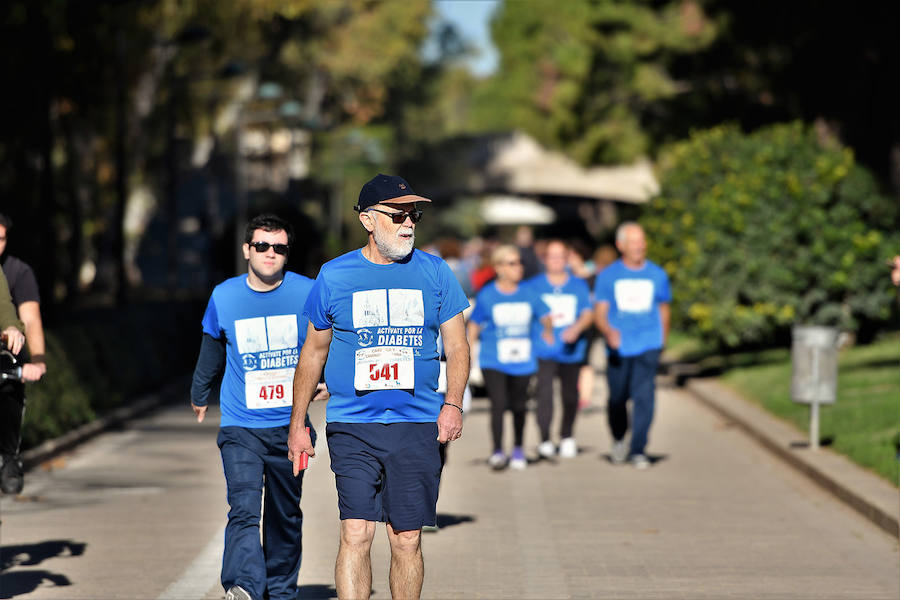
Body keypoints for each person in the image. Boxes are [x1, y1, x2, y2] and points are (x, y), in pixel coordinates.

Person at [287, 174, 470, 600]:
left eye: (413, 215)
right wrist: (298, 423)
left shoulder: (436, 272)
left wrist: (453, 404)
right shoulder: (334, 276)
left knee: (406, 538)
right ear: (368, 220)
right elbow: (313, 352)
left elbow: (457, 346)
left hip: (417, 423)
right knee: (356, 531)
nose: (408, 224)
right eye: (397, 215)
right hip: (353, 424)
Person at [190, 214, 325, 600]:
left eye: (279, 247)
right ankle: (244, 586)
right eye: (262, 246)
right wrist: (200, 392)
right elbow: (211, 346)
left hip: (292, 429)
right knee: (244, 508)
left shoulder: (309, 292)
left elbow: (329, 342)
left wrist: (329, 379)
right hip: (240, 427)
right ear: (247, 250)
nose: (270, 253)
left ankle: (281, 591)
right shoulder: (224, 295)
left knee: (285, 516)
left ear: (287, 253)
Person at [467, 244, 553, 471]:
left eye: (520, 262)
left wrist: (547, 333)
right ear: (499, 268)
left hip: (523, 361)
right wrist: (469, 354)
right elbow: (474, 325)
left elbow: (546, 316)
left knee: (519, 406)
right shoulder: (488, 294)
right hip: (493, 359)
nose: (519, 268)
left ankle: (517, 448)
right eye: (512, 263)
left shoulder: (529, 292)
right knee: (498, 403)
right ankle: (497, 451)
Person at [593, 222, 671, 470]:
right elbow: (600, 312)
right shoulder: (608, 276)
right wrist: (608, 331)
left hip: (648, 343)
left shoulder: (657, 274)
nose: (640, 246)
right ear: (621, 245)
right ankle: (618, 439)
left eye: (642, 241)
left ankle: (638, 449)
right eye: (634, 241)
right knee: (617, 398)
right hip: (619, 347)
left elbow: (664, 309)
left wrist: (662, 340)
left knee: (644, 397)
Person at [529, 240, 594, 459]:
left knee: (570, 396)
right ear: (545, 259)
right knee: (544, 394)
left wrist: (576, 328)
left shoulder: (578, 285)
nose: (556, 261)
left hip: (571, 350)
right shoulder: (534, 286)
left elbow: (588, 313)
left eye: (560, 256)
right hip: (543, 349)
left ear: (567, 259)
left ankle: (567, 436)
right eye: (552, 256)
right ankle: (545, 438)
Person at [0, 214, 44, 496]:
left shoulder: (15, 273)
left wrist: (37, 360)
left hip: (4, 352)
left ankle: (8, 457)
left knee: (10, 381)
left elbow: (24, 317)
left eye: (1, 238)